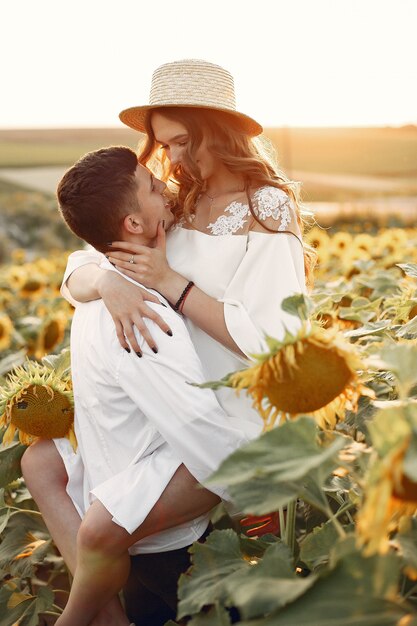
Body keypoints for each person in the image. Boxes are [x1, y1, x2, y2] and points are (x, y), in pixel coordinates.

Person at [25, 59, 313, 624]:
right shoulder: (173, 200)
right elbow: (80, 262)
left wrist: (171, 285)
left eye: (182, 141)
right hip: (160, 397)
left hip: (228, 409)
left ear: (219, 131)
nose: (173, 158)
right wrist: (106, 282)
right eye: (163, 144)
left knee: (103, 527)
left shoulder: (265, 208)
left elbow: (277, 346)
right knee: (39, 463)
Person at [23, 145, 260, 626]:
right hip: (168, 543)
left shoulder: (106, 286)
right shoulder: (143, 320)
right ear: (132, 225)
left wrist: (106, 280)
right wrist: (265, 477)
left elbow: (79, 263)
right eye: (153, 187)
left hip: (121, 502)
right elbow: (200, 434)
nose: (165, 186)